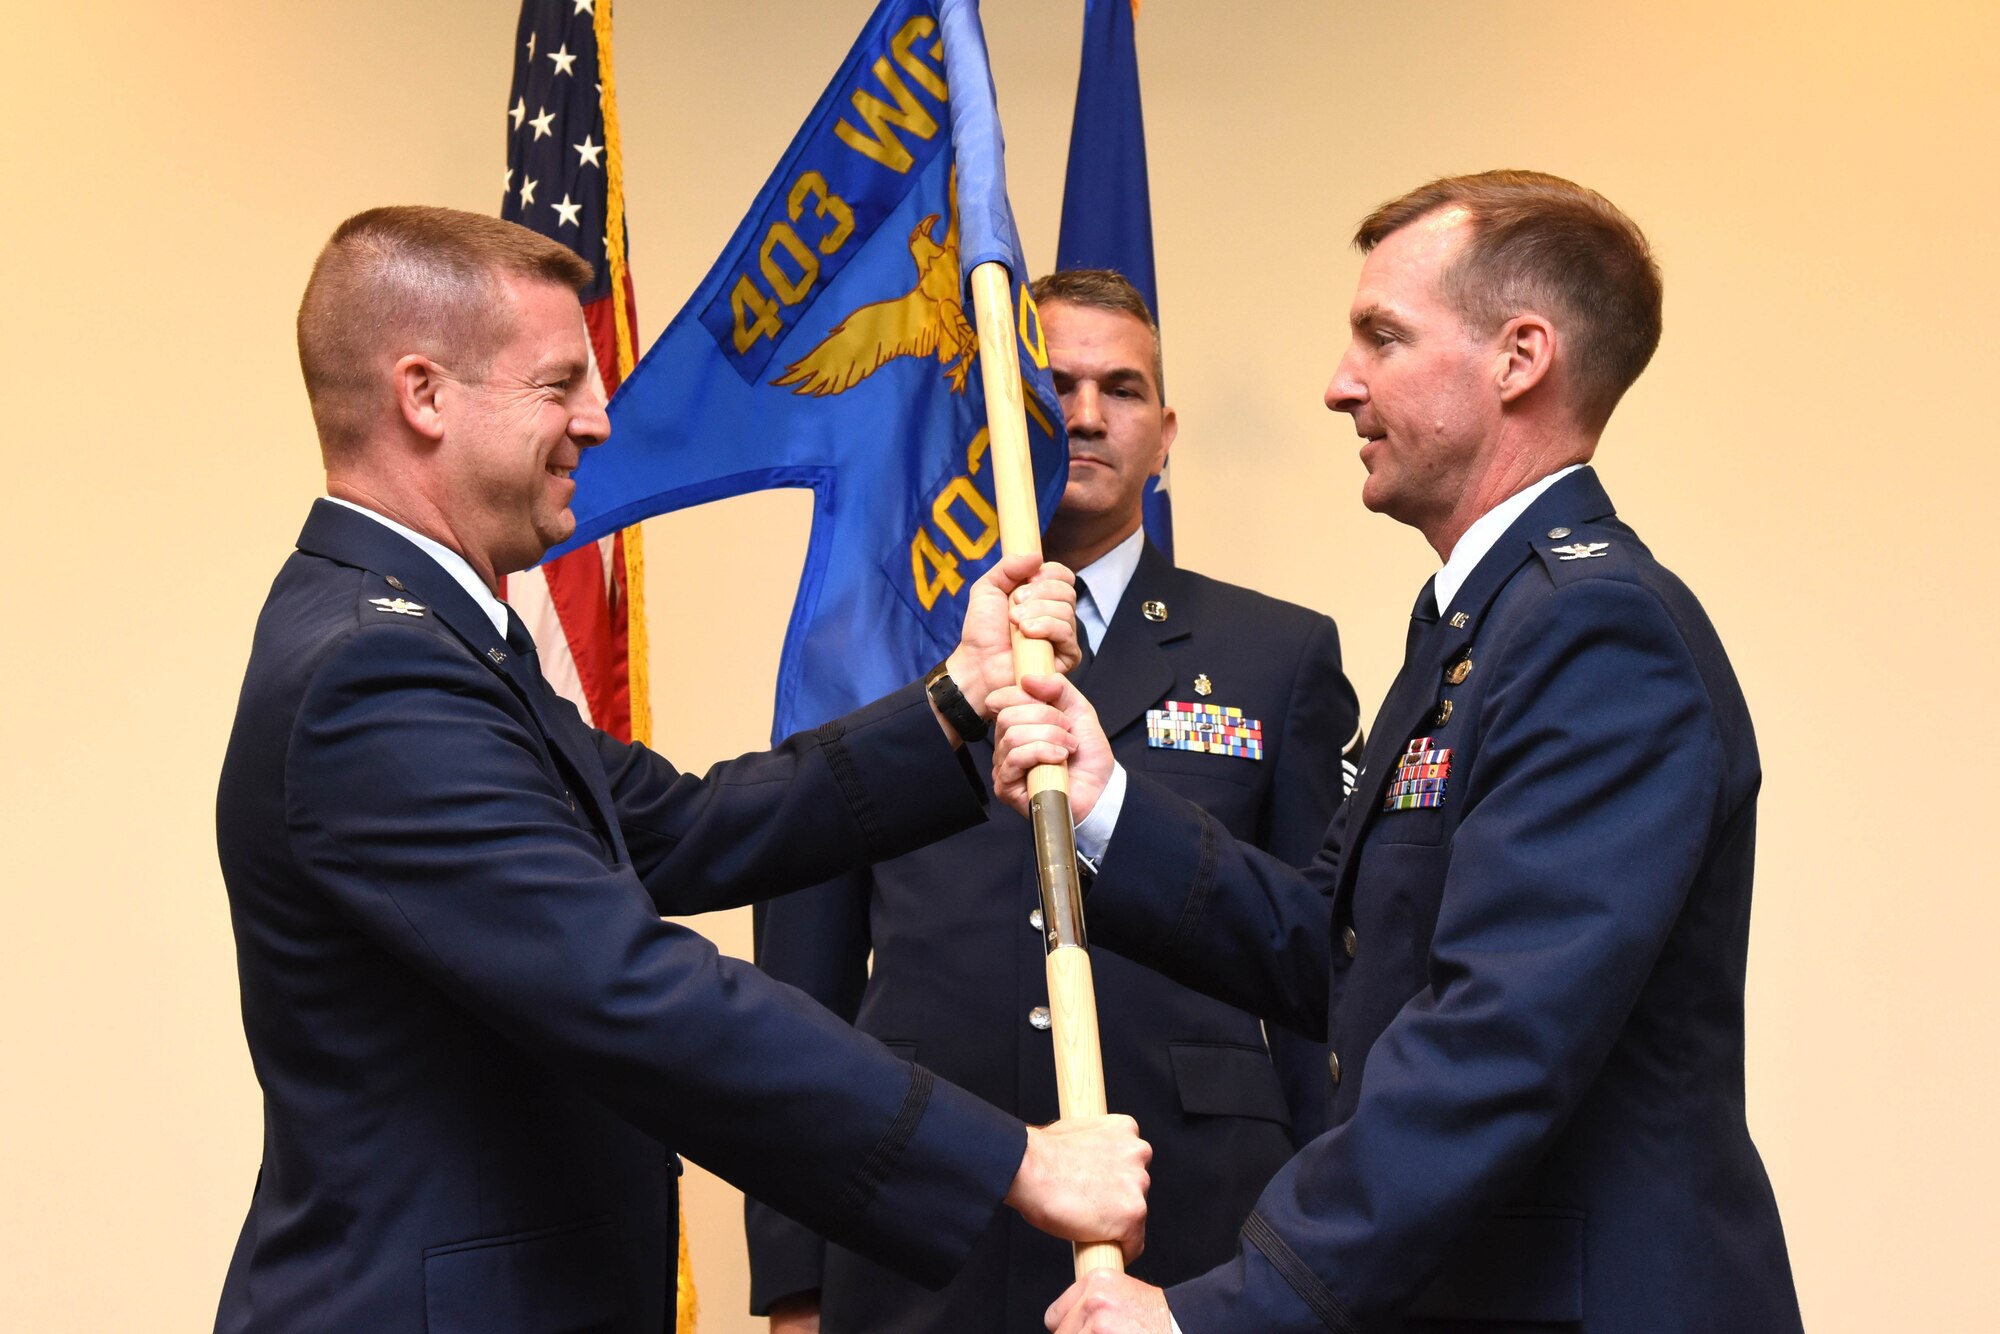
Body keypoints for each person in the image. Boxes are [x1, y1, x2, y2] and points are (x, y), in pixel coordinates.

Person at [213, 205, 1152, 1334]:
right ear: (424, 396)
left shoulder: (434, 639)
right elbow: (630, 987)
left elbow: (686, 826)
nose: (600, 421)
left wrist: (958, 701)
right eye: (559, 384)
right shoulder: (376, 673)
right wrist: (1014, 1157)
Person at [991, 172, 1804, 1333]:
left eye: (1381, 335)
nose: (1338, 383)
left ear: (1517, 357)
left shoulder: (1594, 629)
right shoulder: (1475, 627)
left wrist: (1219, 1307)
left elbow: (1494, 1041)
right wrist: (1108, 797)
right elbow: (1336, 951)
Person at [746, 270, 1363, 1334]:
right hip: (920, 1199)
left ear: (1164, 433)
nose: (1083, 413)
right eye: (1052, 385)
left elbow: (1320, 974)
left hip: (1202, 1209)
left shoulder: (1277, 652)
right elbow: (798, 992)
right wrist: (794, 1275)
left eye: (1119, 389)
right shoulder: (870, 642)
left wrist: (1331, 1256)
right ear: (992, 412)